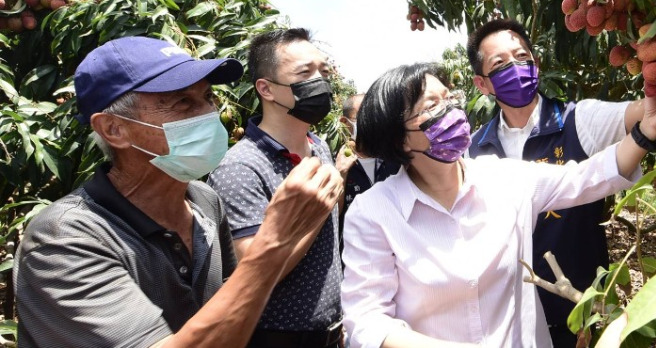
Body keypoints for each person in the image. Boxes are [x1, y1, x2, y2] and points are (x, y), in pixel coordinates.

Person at [14, 36, 342, 347]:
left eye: (208, 97)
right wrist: (275, 241)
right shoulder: (63, 238)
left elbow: (231, 304)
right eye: (182, 102)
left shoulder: (204, 202)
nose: (209, 114)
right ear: (114, 129)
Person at [341, 62, 656, 347]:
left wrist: (646, 131)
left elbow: (587, 177)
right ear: (400, 140)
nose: (451, 111)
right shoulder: (373, 212)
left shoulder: (503, 178)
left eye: (449, 98)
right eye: (432, 106)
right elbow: (368, 321)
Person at [465, 18, 656, 348]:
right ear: (482, 84)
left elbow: (639, 113)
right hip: (512, 324)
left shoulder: (577, 120)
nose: (516, 67)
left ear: (536, 64)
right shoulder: (474, 150)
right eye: (500, 64)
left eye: (522, 56)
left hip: (584, 315)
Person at [207, 28, 348, 348]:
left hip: (331, 333)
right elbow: (255, 273)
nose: (320, 81)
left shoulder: (319, 146)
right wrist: (316, 209)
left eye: (323, 72)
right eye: (305, 73)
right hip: (276, 338)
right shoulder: (240, 168)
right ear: (266, 89)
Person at [339, 93, 401, 219]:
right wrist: (341, 174)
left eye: (376, 115)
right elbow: (332, 215)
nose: (373, 121)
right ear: (345, 122)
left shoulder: (394, 157)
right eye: (364, 116)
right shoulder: (335, 162)